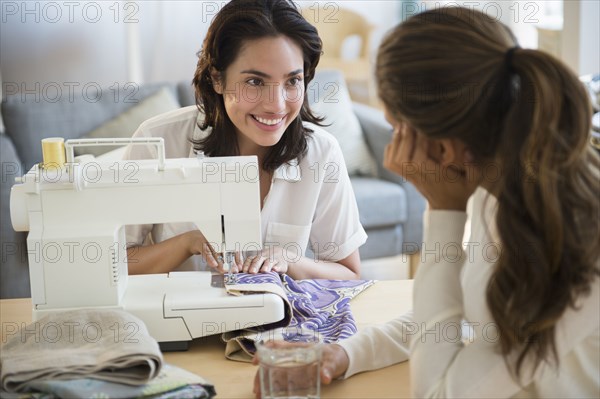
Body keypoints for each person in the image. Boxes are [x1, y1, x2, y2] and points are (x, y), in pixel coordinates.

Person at [253, 6, 600, 398]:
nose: (392, 155)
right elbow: (456, 315)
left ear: (443, 146)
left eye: (397, 131)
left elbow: (435, 393)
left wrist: (442, 211)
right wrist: (344, 353)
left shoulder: (577, 242)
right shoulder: (507, 188)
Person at [123, 0, 366, 280]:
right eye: (255, 82)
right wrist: (187, 243)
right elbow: (115, 263)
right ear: (217, 78)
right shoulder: (157, 140)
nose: (276, 105)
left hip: (278, 321)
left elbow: (349, 273)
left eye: (292, 81)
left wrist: (290, 260)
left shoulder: (321, 153)